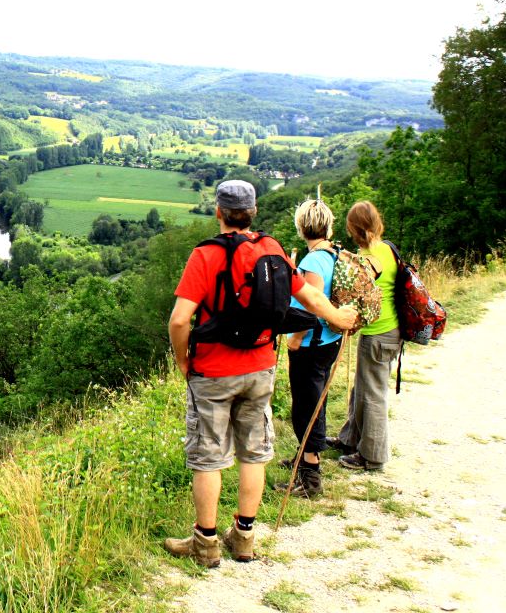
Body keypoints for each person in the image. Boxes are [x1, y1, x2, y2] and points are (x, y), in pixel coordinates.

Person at [165, 180, 357, 567]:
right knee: (253, 454)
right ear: (253, 213)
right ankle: (245, 538)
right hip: (259, 368)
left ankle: (205, 544)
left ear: (218, 212)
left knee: (208, 457)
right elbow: (310, 297)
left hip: (214, 371)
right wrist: (338, 317)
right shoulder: (270, 250)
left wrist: (184, 361)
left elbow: (179, 320)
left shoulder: (205, 255)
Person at [276, 197, 343, 498]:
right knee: (316, 400)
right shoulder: (334, 254)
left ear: (302, 228)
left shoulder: (312, 262)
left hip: (312, 342)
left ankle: (310, 476)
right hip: (330, 339)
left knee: (306, 405)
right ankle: (304, 457)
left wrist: (296, 338)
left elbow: (311, 306)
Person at [328, 200, 401, 471]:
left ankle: (372, 456)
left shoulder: (366, 259)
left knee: (372, 394)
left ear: (353, 228)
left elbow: (356, 296)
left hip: (377, 334)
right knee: (362, 387)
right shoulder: (387, 249)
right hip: (391, 331)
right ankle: (350, 438)